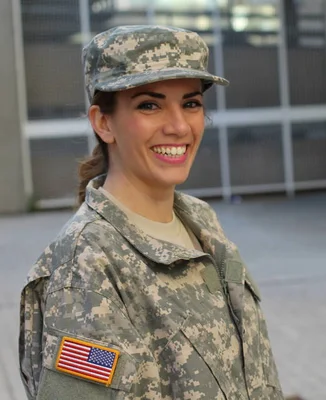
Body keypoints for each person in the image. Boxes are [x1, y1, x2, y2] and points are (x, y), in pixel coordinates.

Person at [19, 25, 284, 400]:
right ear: (103, 122)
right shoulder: (88, 264)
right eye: (150, 104)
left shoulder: (200, 219)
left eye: (190, 103)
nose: (179, 126)